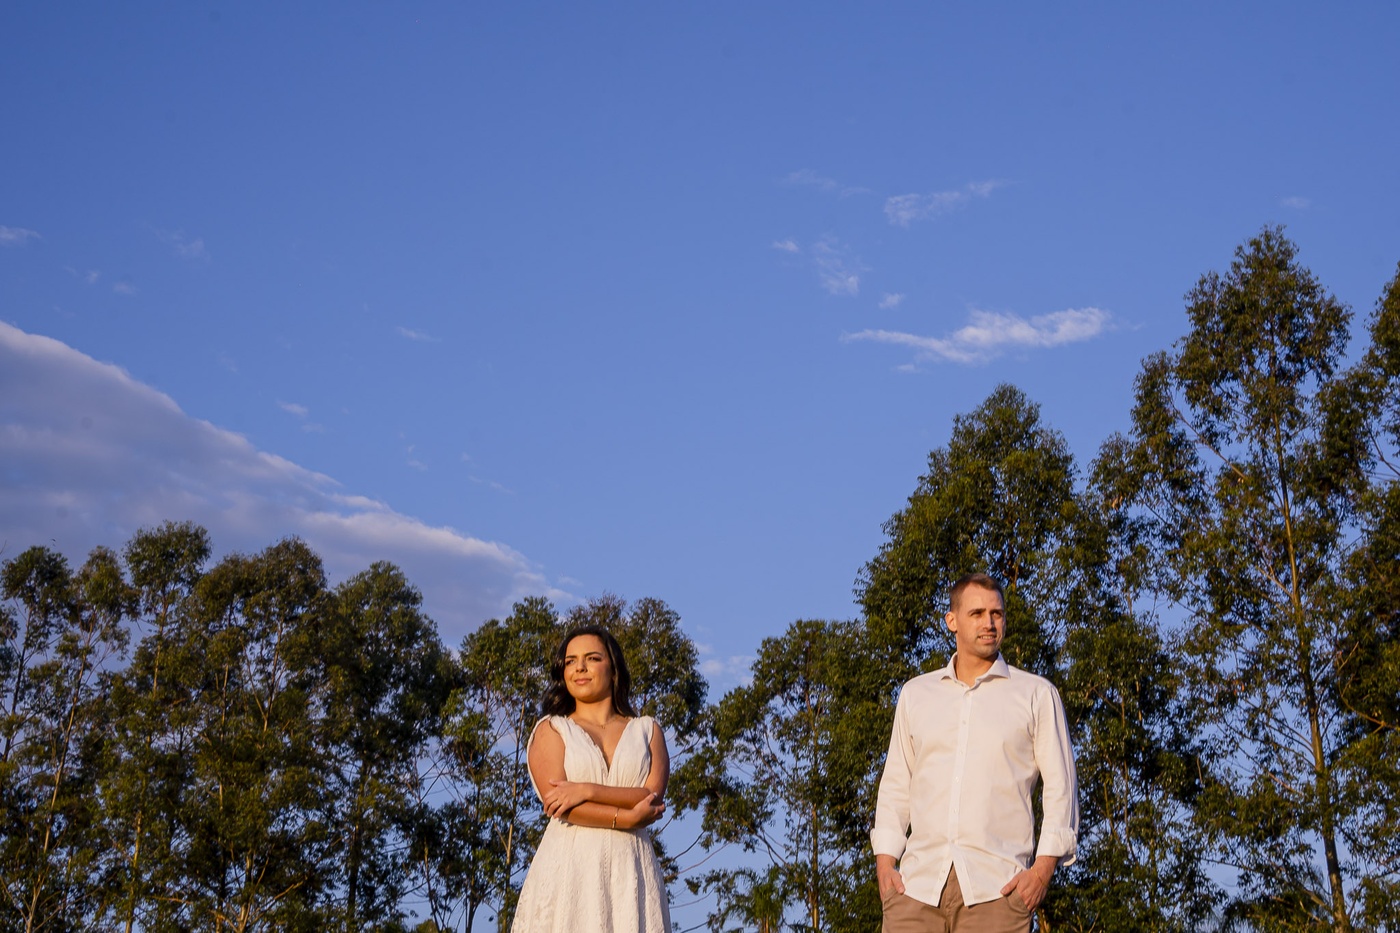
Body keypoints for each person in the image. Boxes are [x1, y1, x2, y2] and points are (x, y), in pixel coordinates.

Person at [871, 573, 1078, 933]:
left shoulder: (1035, 695)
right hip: (915, 891)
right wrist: (885, 865)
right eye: (977, 613)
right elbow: (896, 785)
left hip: (998, 892)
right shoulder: (917, 694)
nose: (989, 623)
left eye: (997, 614)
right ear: (951, 620)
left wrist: (1041, 873)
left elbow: (1062, 789)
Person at [511, 625, 673, 933]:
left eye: (592, 658)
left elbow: (651, 796)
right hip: (571, 867)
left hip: (632, 868)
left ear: (613, 668)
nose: (580, 667)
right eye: (570, 661)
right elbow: (561, 806)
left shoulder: (647, 729)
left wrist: (585, 789)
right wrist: (627, 819)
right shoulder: (551, 729)